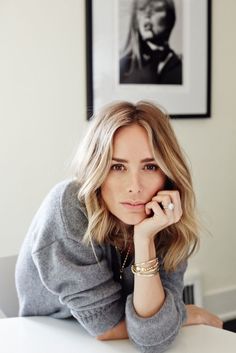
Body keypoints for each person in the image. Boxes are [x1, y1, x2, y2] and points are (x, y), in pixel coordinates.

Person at [15, 101, 222, 353]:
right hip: (51, 337)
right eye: (117, 167)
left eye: (150, 166)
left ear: (167, 174)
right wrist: (184, 314)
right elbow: (108, 328)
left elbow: (152, 339)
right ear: (97, 169)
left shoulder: (165, 215)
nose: (134, 186)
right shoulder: (68, 206)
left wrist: (145, 238)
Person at [120, 0, 183, 84]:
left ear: (170, 19)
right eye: (141, 9)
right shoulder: (124, 68)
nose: (147, 15)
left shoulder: (183, 69)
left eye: (157, 9)